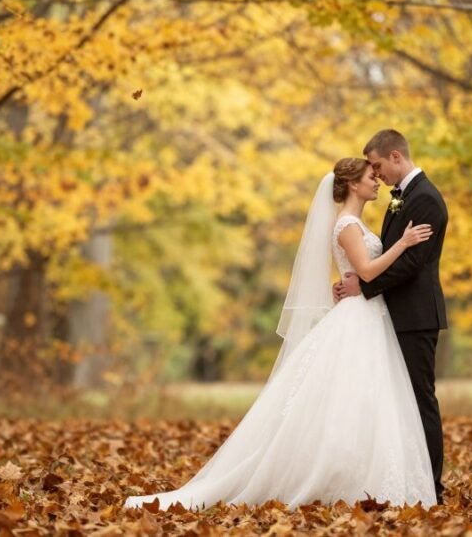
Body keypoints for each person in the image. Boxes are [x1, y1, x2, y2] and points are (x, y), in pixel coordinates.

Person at [124, 158, 438, 510]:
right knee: (353, 397)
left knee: (368, 400)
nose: (376, 181)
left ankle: (363, 477)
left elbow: (360, 274)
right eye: (370, 177)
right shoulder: (347, 225)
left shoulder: (356, 223)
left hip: (369, 315)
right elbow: (365, 271)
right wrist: (403, 243)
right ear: (352, 184)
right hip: (359, 318)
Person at [334, 129, 449, 504]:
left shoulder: (426, 200)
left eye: (379, 166)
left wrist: (363, 288)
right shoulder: (402, 199)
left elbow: (413, 264)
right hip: (390, 316)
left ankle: (430, 485)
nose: (378, 174)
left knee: (419, 401)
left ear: (397, 157)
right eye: (372, 171)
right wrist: (359, 284)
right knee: (395, 401)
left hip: (415, 316)